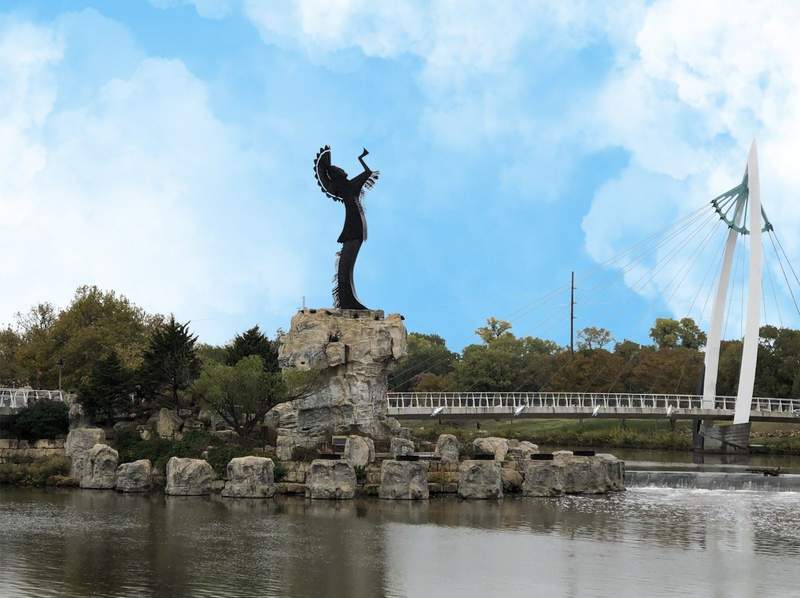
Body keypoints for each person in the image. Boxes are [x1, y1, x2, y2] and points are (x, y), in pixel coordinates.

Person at [314, 145, 379, 309]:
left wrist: (361, 159)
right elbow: (367, 174)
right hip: (353, 227)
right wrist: (360, 159)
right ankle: (347, 301)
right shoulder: (343, 187)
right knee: (346, 265)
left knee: (347, 265)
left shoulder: (350, 186)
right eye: (341, 170)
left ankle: (348, 300)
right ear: (337, 174)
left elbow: (367, 173)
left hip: (356, 225)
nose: (346, 172)